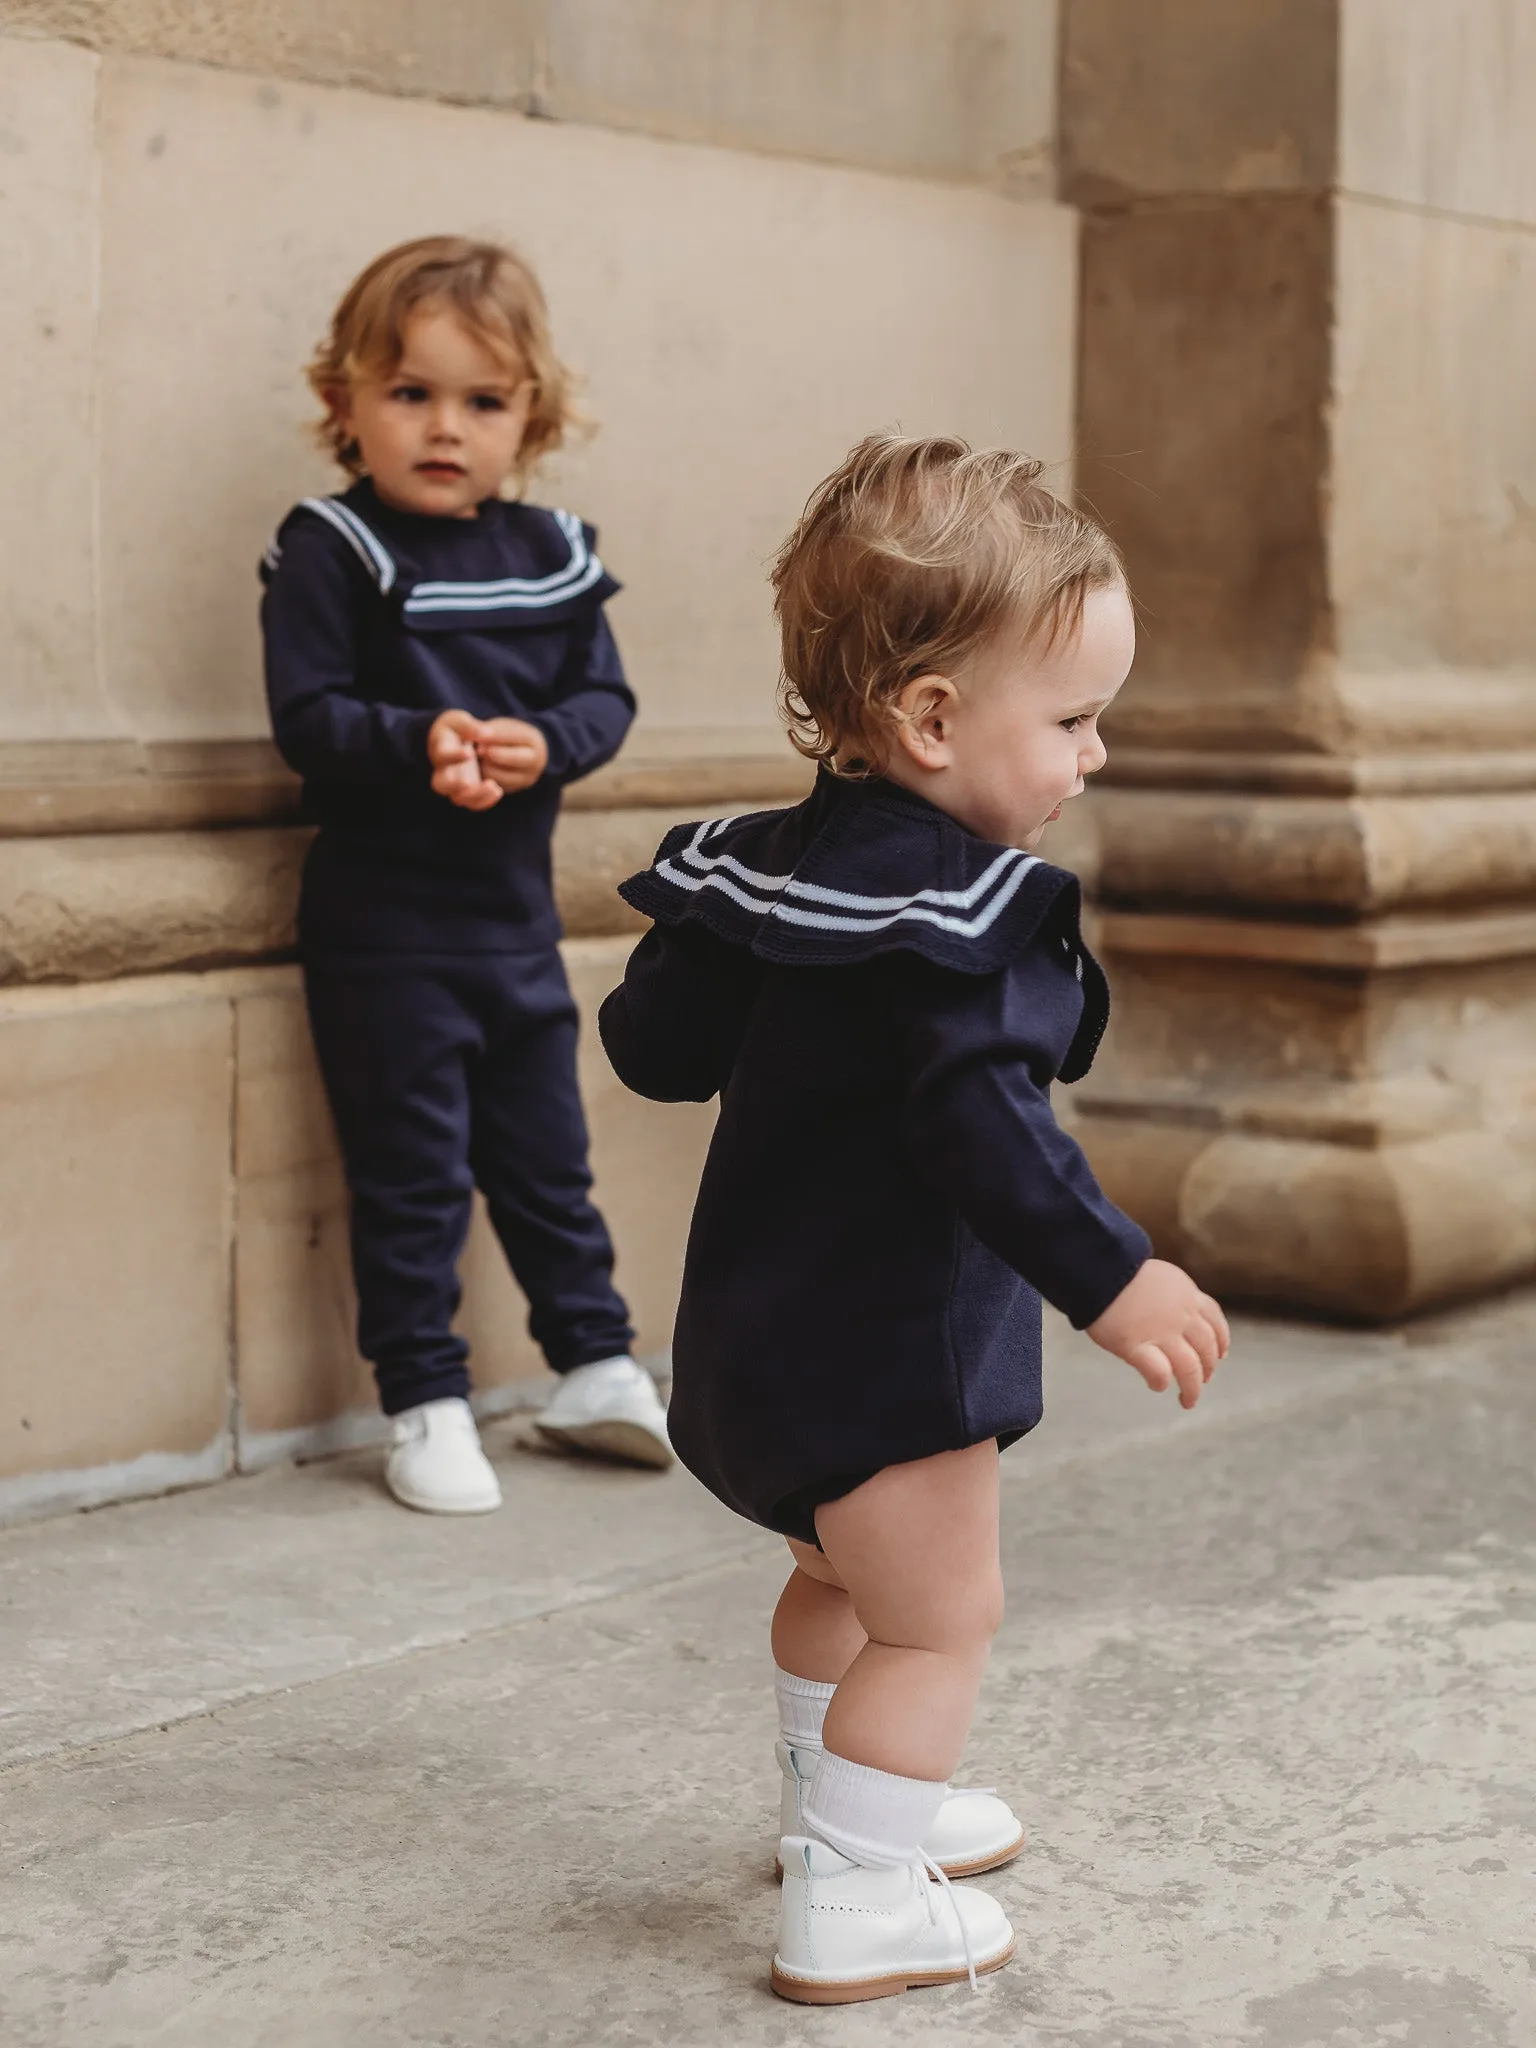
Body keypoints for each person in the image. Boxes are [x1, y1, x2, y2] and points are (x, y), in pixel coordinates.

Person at [598, 435, 1230, 2004]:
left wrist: (705, 962)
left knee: (840, 1584)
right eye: (1075, 721)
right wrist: (1115, 1276)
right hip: (894, 1374)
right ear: (933, 719)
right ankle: (862, 1891)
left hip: (746, 1365)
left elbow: (649, 1049)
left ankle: (844, 1802)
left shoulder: (761, 868)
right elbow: (985, 1124)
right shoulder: (968, 919)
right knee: (938, 1626)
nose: (1093, 757)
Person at [260, 235, 672, 1515]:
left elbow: (606, 697)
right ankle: (424, 1398)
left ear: (530, 418)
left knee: (548, 1154)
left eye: (483, 402)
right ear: (347, 405)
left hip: (513, 928)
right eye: (412, 393)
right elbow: (308, 713)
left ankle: (595, 1361)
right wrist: (417, 739)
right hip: (384, 932)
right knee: (414, 1170)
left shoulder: (549, 549)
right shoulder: (333, 545)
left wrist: (546, 741)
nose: (447, 428)